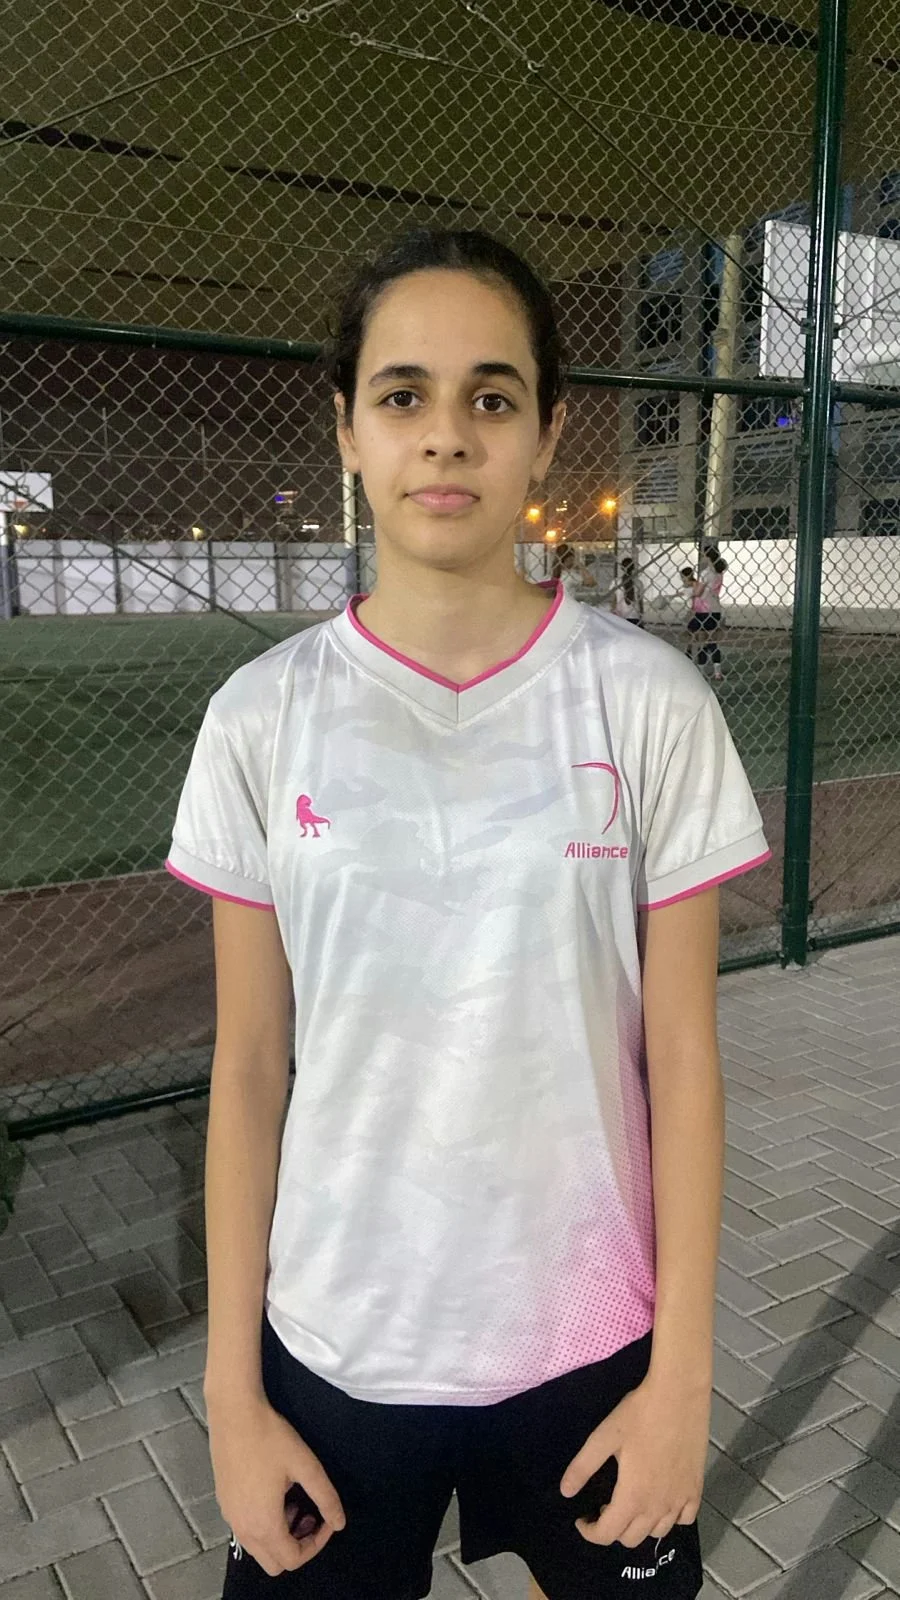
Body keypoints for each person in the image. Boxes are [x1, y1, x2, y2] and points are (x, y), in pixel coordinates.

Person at [165, 228, 770, 1600]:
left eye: (490, 399)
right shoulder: (260, 722)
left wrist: (684, 1380)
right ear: (349, 430)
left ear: (548, 433)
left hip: (594, 1346)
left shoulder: (650, 706)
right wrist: (233, 1398)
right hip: (333, 1352)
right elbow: (252, 1067)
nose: (447, 437)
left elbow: (682, 1061)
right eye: (404, 395)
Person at [687, 545, 727, 683]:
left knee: (702, 642)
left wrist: (691, 593)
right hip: (715, 609)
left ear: (707, 556)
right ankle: (717, 672)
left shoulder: (706, 573)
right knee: (713, 642)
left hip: (704, 610)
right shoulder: (719, 572)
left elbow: (698, 592)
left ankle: (701, 672)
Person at [613, 554, 644, 626]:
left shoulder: (616, 582)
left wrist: (612, 612)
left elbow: (614, 600)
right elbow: (640, 602)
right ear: (633, 567)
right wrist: (641, 616)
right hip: (635, 616)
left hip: (620, 616)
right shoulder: (638, 583)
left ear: (621, 567)